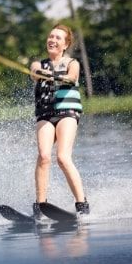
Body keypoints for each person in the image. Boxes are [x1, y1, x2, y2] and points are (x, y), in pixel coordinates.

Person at [30, 24, 90, 219]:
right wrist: (43, 73)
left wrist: (54, 75)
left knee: (63, 158)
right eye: (50, 36)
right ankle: (40, 205)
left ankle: (82, 204)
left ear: (65, 44)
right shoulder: (39, 64)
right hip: (45, 114)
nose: (52, 40)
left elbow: (72, 78)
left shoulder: (73, 62)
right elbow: (34, 73)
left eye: (57, 38)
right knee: (44, 156)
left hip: (67, 112)